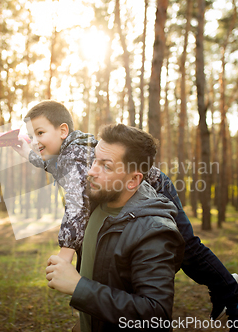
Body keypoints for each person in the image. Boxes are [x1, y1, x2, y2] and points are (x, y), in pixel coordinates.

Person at [13, 100, 238, 332]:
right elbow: (47, 162)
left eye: (40, 134)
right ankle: (223, 287)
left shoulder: (73, 158)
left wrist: (65, 255)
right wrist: (24, 149)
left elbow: (77, 208)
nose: (35, 141)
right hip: (124, 188)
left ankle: (236, 299)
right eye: (32, 135)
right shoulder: (63, 153)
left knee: (188, 248)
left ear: (63, 130)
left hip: (153, 185)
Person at [45, 123, 185, 331]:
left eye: (106, 166)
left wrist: (78, 287)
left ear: (133, 180)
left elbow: (156, 314)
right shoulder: (95, 202)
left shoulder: (153, 231)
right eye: (94, 160)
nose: (91, 171)